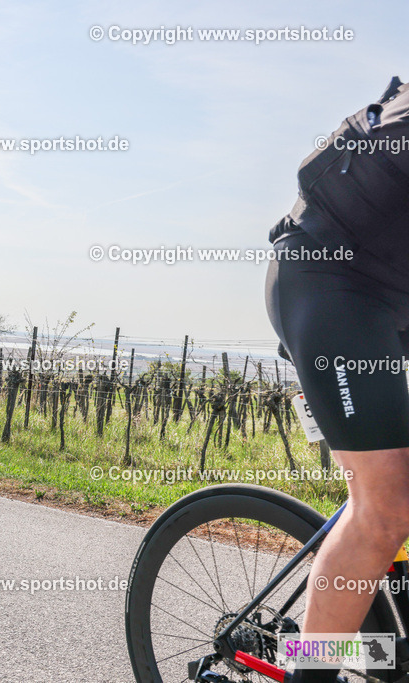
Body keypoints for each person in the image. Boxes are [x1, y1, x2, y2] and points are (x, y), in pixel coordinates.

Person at [266, 76, 409, 682]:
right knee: (386, 505)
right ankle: (312, 672)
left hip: (392, 299)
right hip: (328, 285)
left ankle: (385, 652)